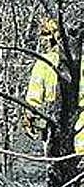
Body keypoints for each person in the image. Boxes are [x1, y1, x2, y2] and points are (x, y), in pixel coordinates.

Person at [23, 18, 62, 148]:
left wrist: (28, 121)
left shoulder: (44, 64)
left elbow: (33, 102)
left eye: (45, 35)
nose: (42, 40)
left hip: (57, 135)